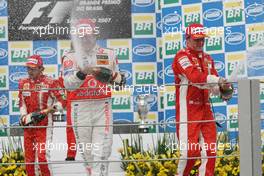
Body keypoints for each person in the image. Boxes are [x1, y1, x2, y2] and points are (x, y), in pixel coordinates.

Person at [62, 18, 125, 176]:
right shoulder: (70, 57)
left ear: (95, 35)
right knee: (88, 156)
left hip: (102, 105)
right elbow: (68, 84)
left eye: (88, 35)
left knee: (102, 150)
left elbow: (120, 83)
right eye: (81, 36)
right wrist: (82, 72)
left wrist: (109, 76)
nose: (85, 39)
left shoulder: (108, 54)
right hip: (79, 108)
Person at [172, 23, 233, 176]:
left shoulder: (207, 58)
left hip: (206, 110)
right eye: (196, 40)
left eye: (202, 40)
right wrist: (217, 80)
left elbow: (212, 85)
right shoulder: (181, 56)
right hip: (188, 111)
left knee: (210, 152)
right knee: (189, 153)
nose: (200, 43)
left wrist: (224, 89)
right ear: (187, 39)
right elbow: (195, 78)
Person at [19, 55, 66, 176]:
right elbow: (21, 103)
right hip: (29, 125)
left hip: (44, 126)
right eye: (28, 68)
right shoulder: (23, 83)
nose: (30, 71)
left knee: (42, 157)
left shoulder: (50, 82)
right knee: (29, 160)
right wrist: (24, 117)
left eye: (33, 69)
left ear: (41, 69)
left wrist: (51, 109)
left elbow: (63, 100)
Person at [55, 76, 77, 161]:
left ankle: (91, 152)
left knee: (89, 127)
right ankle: (71, 154)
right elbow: (62, 93)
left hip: (85, 101)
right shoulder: (63, 75)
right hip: (71, 102)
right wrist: (62, 103)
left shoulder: (85, 67)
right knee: (70, 128)